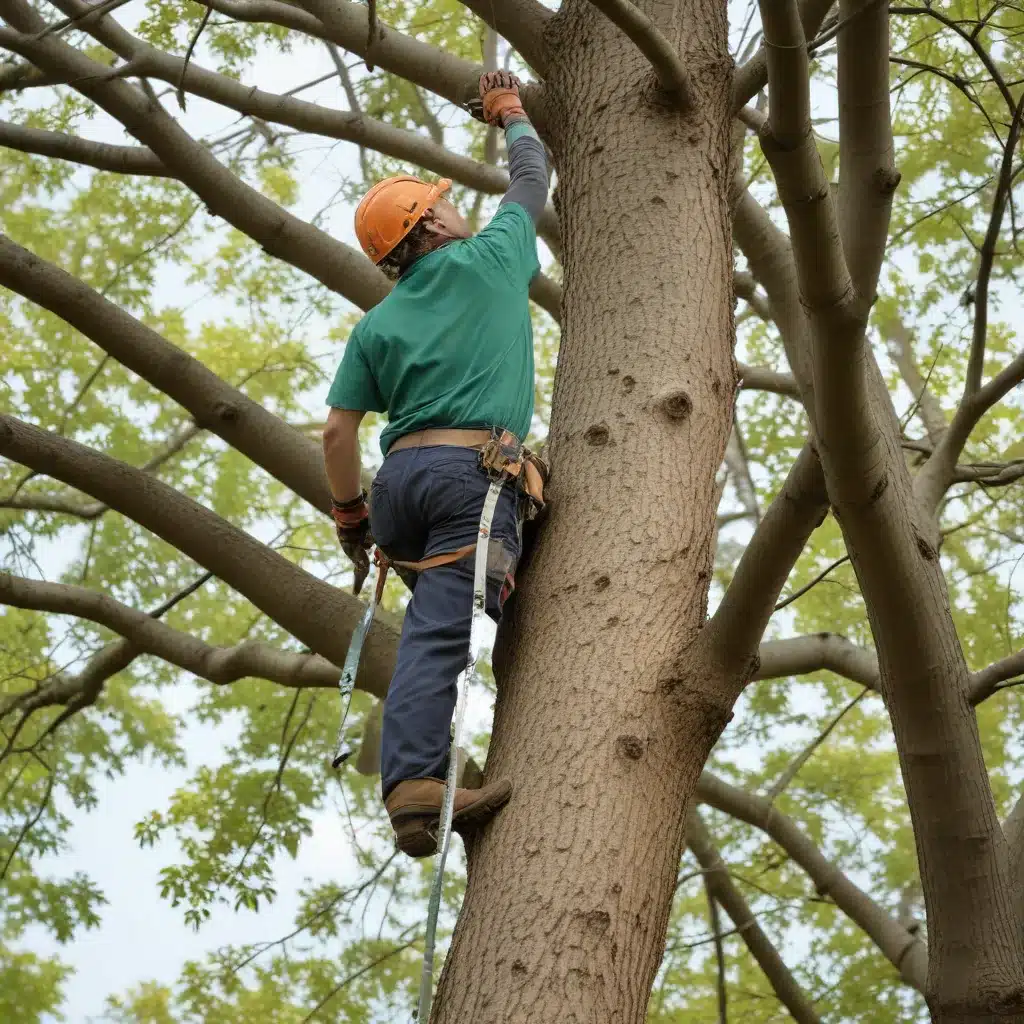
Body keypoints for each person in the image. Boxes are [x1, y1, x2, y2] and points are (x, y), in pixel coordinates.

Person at [322, 70, 549, 857]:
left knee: (433, 622)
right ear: (433, 224)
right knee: (437, 636)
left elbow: (337, 435)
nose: (457, 204)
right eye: (443, 201)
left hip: (400, 490)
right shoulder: (491, 257)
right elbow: (531, 176)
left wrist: (352, 520)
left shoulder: (377, 326)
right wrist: (510, 111)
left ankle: (421, 764)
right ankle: (415, 787)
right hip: (468, 478)